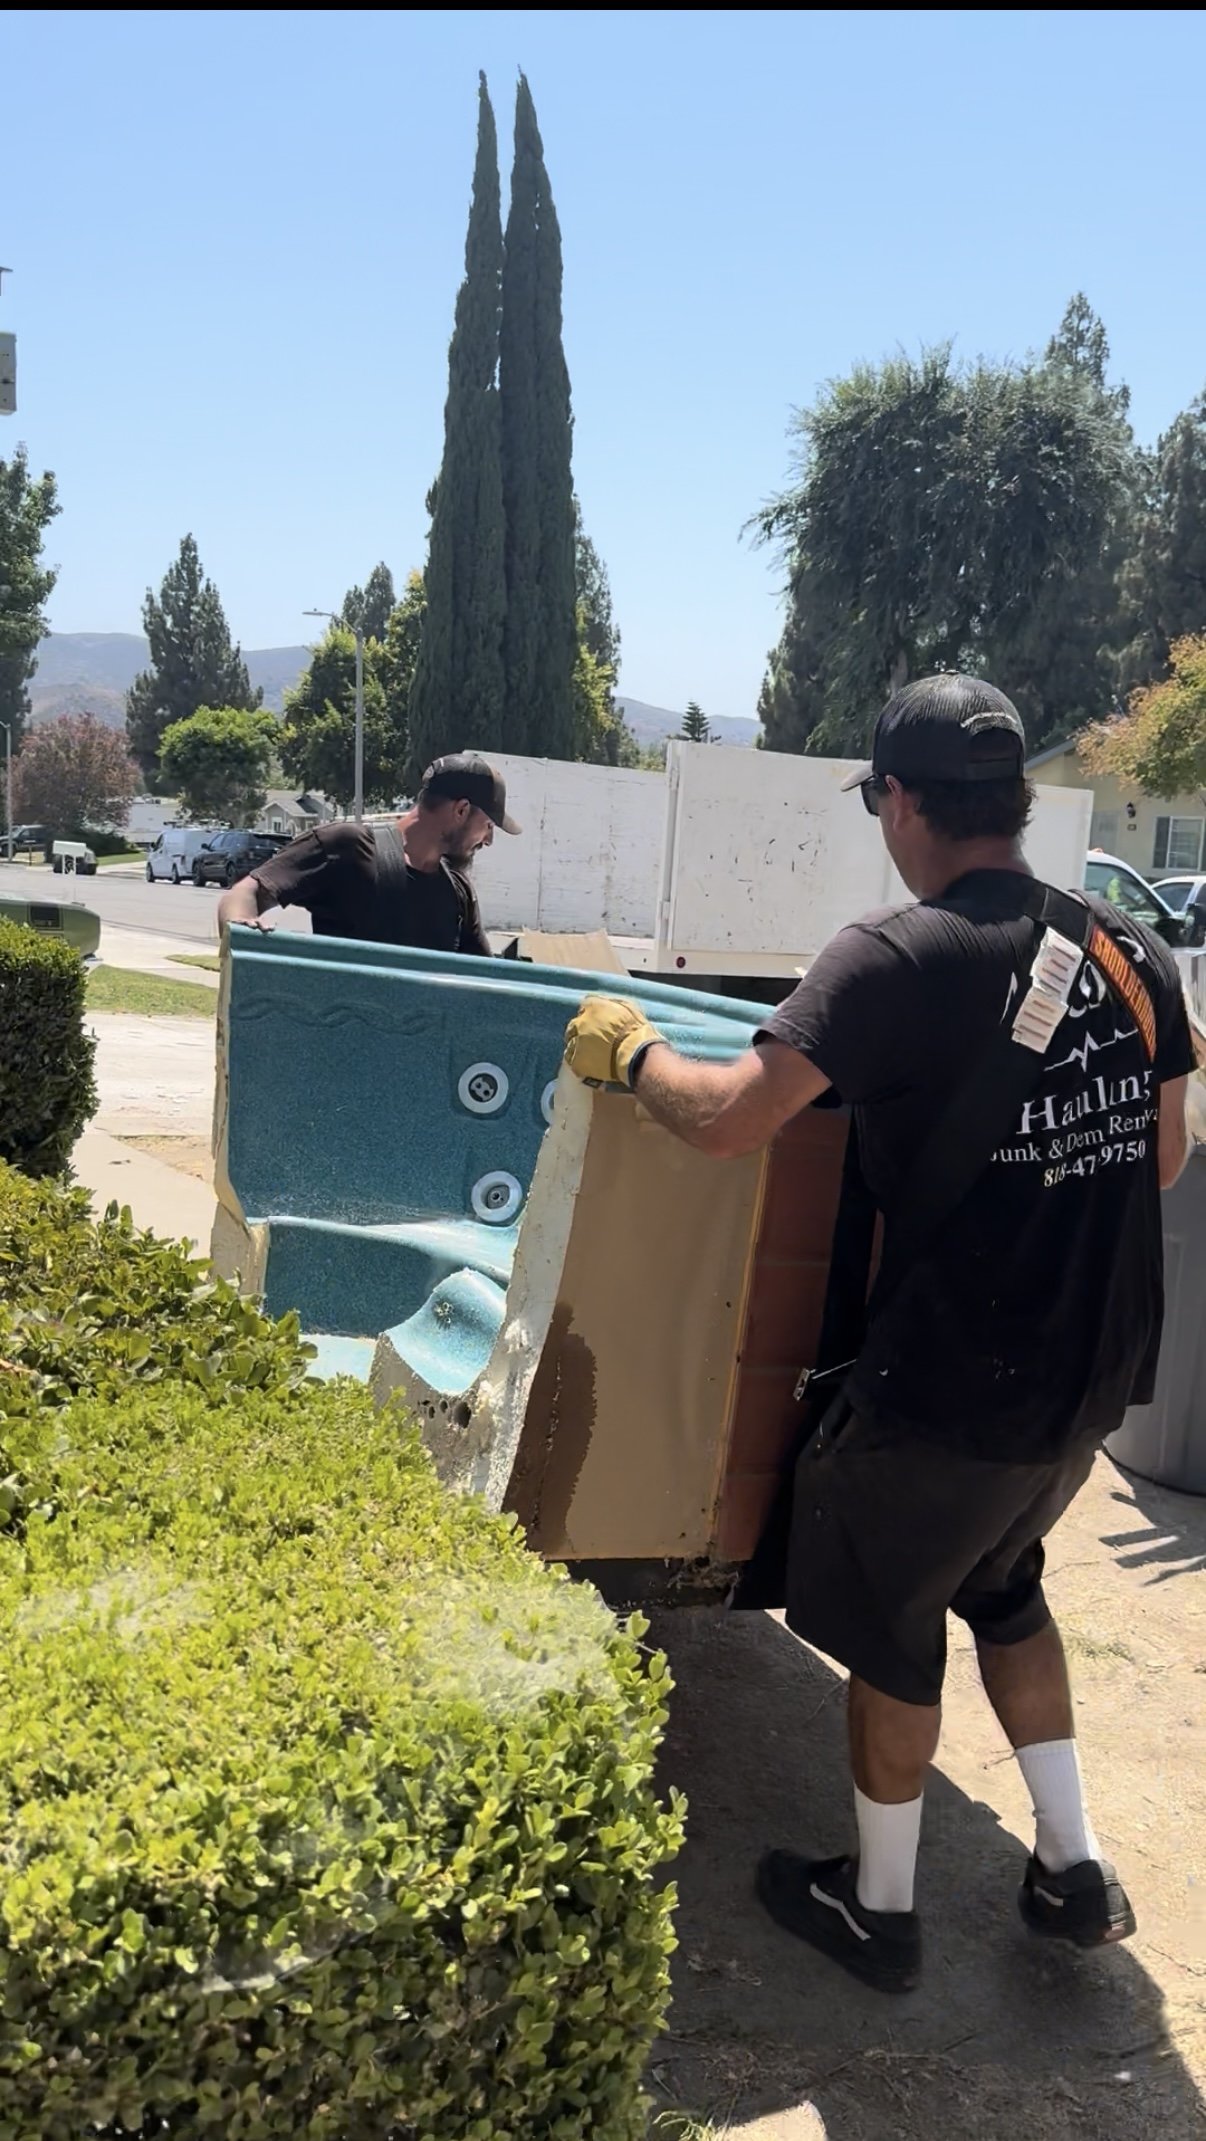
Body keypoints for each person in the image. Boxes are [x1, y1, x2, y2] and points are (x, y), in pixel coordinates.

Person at [563, 674, 1194, 1995]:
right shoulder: (1131, 953)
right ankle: (1070, 1867)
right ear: (1012, 802)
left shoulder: (892, 956)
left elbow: (734, 1114)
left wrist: (628, 1057)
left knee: (896, 1625)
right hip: (1088, 1382)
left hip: (954, 1379)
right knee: (1003, 1581)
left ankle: (880, 1909)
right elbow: (1165, 1160)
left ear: (901, 803)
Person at [216, 753, 520, 952]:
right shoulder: (345, 846)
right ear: (462, 810)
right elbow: (245, 894)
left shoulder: (458, 893)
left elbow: (483, 981)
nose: (488, 840)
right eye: (488, 825)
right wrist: (241, 932)